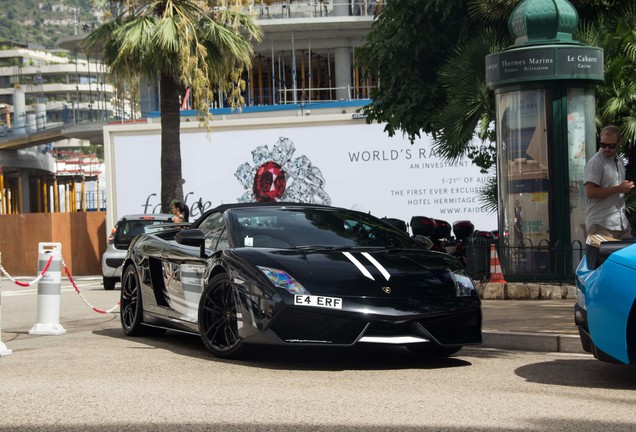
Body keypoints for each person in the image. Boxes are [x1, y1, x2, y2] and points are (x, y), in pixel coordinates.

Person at [584, 125, 634, 245]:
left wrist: (625, 188)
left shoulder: (619, 161)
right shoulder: (596, 162)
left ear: (618, 143)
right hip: (601, 224)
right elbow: (590, 192)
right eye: (603, 145)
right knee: (602, 262)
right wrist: (619, 188)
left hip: (621, 224)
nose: (606, 149)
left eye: (611, 146)